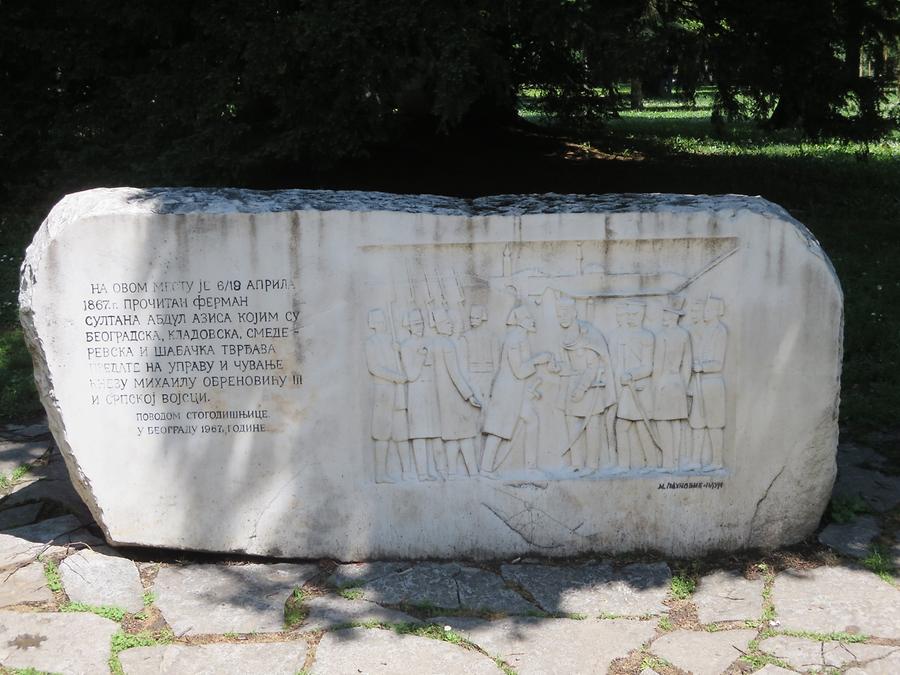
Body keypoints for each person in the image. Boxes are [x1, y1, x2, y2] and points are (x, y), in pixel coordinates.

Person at [481, 304, 551, 475]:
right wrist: (538, 360)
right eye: (528, 319)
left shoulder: (522, 338)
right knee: (497, 431)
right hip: (507, 392)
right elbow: (519, 371)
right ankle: (485, 469)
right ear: (520, 322)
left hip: (517, 392)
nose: (532, 321)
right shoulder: (513, 340)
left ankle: (531, 467)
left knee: (532, 420)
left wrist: (531, 388)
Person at [551, 296, 616, 473]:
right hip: (571, 385)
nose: (561, 317)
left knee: (592, 425)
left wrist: (581, 388)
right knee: (573, 423)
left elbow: (593, 365)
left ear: (574, 313)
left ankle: (593, 465)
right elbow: (565, 363)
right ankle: (577, 463)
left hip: (590, 386)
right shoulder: (563, 336)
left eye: (564, 313)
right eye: (558, 314)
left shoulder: (588, 334)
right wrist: (557, 367)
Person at [430, 306, 482, 477]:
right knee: (465, 435)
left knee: (451, 436)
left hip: (442, 396)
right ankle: (473, 472)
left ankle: (452, 473)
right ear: (438, 326)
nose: (451, 325)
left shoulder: (434, 344)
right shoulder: (447, 344)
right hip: (455, 396)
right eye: (447, 323)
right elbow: (455, 374)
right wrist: (469, 395)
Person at [609, 302, 657, 471]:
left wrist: (631, 375)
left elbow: (648, 367)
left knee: (642, 427)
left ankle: (651, 463)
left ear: (640, 315)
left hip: (640, 388)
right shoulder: (623, 336)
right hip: (626, 389)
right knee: (621, 426)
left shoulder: (647, 336)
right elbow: (619, 363)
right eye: (628, 314)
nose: (629, 318)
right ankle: (623, 465)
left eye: (632, 314)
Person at [364, 308, 408, 483]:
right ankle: (380, 474)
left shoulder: (391, 341)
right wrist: (396, 377)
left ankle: (407, 471)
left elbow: (399, 363)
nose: (382, 324)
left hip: (396, 390)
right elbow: (374, 368)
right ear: (373, 324)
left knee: (400, 430)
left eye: (383, 321)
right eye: (379, 321)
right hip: (383, 389)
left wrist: (399, 351)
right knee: (382, 432)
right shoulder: (371, 342)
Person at [651, 296, 692, 470]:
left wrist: (656, 384)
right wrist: (684, 382)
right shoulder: (684, 334)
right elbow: (688, 362)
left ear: (674, 316)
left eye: (666, 313)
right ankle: (676, 461)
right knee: (676, 422)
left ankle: (668, 462)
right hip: (678, 382)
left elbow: (658, 363)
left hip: (664, 382)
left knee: (663, 422)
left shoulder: (662, 335)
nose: (663, 316)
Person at [399, 308, 441, 480]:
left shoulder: (430, 341)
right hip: (416, 393)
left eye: (421, 323)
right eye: (415, 324)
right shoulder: (407, 346)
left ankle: (433, 470)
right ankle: (422, 473)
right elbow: (411, 375)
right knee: (419, 434)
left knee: (432, 433)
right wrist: (420, 357)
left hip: (431, 391)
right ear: (409, 326)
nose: (419, 327)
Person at [688, 296, 727, 471]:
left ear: (717, 312)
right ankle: (696, 460)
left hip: (712, 383)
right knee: (697, 422)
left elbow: (718, 363)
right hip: (699, 384)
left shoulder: (720, 331)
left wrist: (702, 367)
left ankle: (717, 461)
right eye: (705, 309)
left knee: (714, 423)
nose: (705, 313)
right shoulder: (702, 330)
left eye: (709, 310)